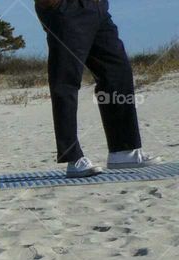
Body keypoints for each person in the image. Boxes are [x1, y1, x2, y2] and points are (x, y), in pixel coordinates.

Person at [34, 0, 161, 177]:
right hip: (65, 8)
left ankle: (123, 151)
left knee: (117, 71)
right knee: (66, 81)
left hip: (97, 7)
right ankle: (73, 158)